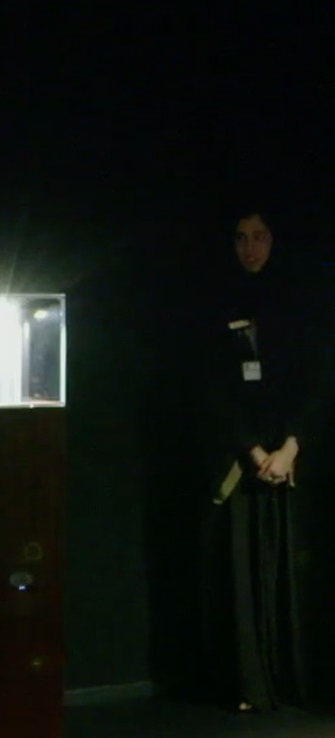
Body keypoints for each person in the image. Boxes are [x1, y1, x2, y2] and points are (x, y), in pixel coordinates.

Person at [195, 209, 330, 714]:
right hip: (240, 461)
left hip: (290, 459)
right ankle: (248, 681)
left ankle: (294, 678)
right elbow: (211, 389)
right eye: (240, 238)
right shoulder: (214, 305)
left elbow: (315, 378)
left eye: (259, 237)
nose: (249, 247)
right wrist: (252, 450)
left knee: (292, 568)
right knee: (239, 568)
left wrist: (292, 446)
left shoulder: (300, 303)